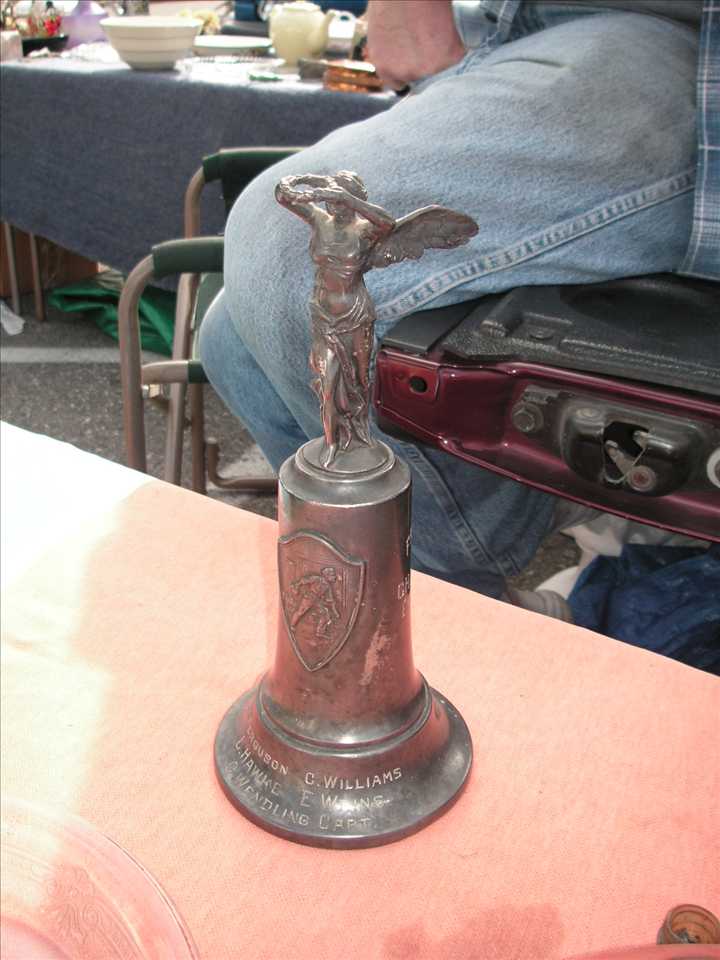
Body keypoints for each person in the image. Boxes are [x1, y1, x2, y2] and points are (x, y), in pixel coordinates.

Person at [200, 0, 715, 601]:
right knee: (232, 339)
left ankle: (442, 598)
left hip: (684, 41)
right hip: (527, 29)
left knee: (289, 252)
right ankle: (419, 590)